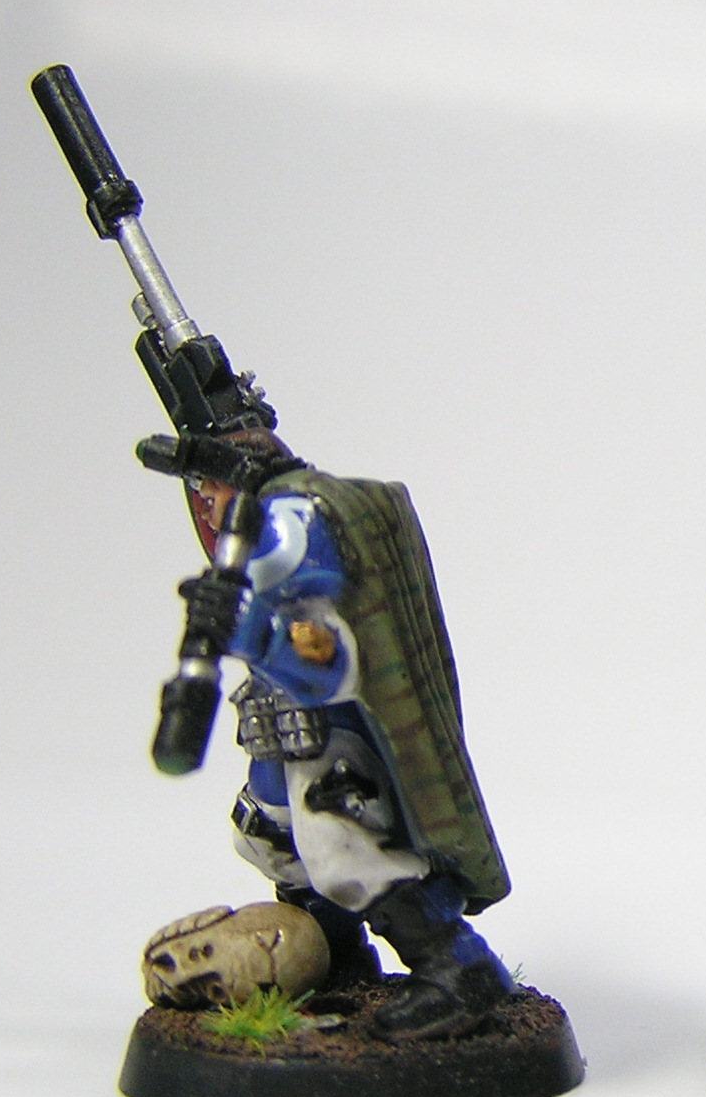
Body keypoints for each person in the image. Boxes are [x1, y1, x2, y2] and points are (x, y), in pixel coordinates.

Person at [177, 426, 516, 1041]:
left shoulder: (296, 543)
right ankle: (334, 956)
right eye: (198, 488)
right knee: (268, 836)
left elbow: (328, 668)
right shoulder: (251, 563)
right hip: (275, 733)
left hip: (329, 733)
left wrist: (247, 633)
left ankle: (458, 966)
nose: (205, 500)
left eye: (212, 486)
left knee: (343, 847)